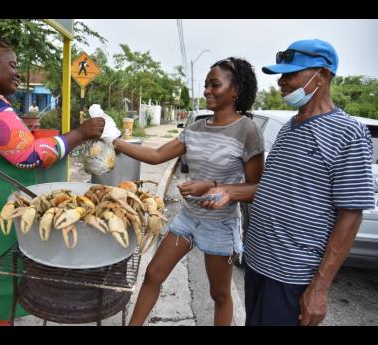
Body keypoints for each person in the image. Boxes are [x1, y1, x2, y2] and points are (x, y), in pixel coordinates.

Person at [0, 26, 105, 326]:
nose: (17, 73)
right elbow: (29, 155)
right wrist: (79, 134)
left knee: (0, 305)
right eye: (13, 65)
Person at [112, 57, 265, 325]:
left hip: (220, 225)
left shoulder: (247, 131)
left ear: (236, 89)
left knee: (219, 295)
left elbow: (256, 187)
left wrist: (215, 187)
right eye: (205, 85)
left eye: (214, 85)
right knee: (153, 275)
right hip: (187, 218)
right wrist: (116, 142)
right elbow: (157, 154)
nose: (206, 90)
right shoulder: (194, 129)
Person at [234, 39, 374, 326]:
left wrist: (319, 289)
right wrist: (224, 191)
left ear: (321, 76)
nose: (281, 82)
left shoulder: (349, 134)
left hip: (291, 276)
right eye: (281, 75)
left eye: (290, 74)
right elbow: (273, 189)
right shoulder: (290, 127)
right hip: (258, 264)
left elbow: (351, 215)